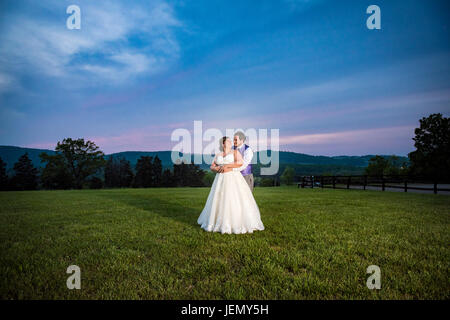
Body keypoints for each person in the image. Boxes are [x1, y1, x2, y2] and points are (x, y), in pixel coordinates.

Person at [197, 136, 265, 234]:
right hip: (220, 179)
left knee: (232, 198)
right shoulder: (218, 155)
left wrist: (227, 166)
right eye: (228, 141)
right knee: (219, 198)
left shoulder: (235, 152)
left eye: (230, 141)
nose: (230, 142)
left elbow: (240, 163)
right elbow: (212, 166)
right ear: (223, 143)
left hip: (233, 178)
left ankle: (234, 222)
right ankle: (216, 221)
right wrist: (216, 169)